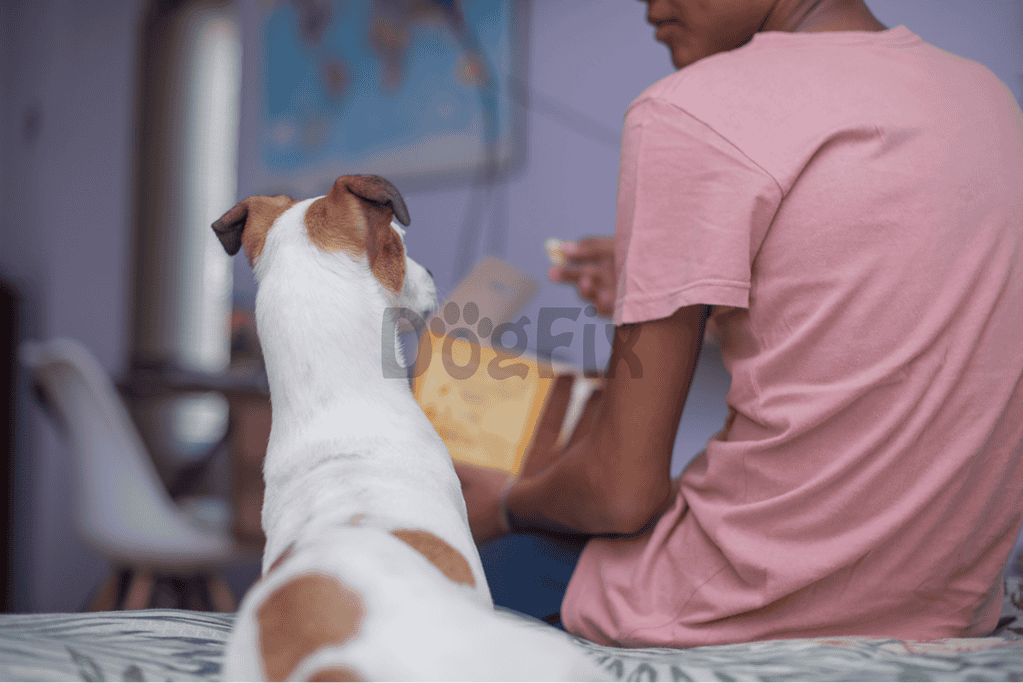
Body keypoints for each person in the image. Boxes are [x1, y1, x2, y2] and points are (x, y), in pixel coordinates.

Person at [455, 0, 1023, 648]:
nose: (650, 6)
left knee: (427, 573)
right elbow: (882, 321)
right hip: (943, 610)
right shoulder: (988, 101)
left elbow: (620, 492)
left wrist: (507, 501)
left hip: (734, 605)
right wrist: (698, 296)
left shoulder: (688, 109)